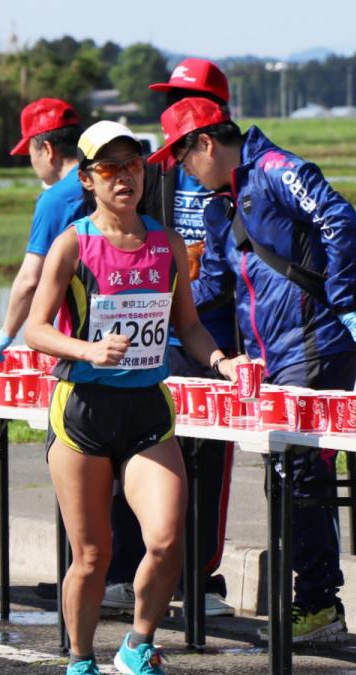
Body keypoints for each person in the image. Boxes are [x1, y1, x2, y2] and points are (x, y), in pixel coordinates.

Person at [150, 98, 356, 643]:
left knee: (303, 475)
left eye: (183, 158)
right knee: (285, 478)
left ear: (206, 142)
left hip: (315, 345)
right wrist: (155, 311)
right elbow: (214, 286)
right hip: (269, 358)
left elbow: (338, 217)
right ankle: (313, 601)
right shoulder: (222, 205)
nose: (182, 171)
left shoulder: (276, 170)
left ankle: (321, 603)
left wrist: (344, 300)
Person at [24, 120, 237, 675]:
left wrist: (222, 360)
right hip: (84, 412)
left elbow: (188, 326)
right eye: (110, 169)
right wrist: (88, 349)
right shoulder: (73, 242)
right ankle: (79, 662)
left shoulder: (166, 244)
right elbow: (37, 330)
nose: (125, 177)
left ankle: (139, 645)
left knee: (168, 538)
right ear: (89, 179)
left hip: (146, 408)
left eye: (134, 166)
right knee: (91, 557)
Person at [102, 58, 239, 618]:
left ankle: (200, 580)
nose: (170, 114)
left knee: (208, 463)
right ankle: (126, 570)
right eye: (169, 100)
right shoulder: (156, 172)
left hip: (219, 336)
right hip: (157, 337)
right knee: (141, 453)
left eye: (184, 99)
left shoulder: (237, 175)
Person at [0, 98, 86, 364]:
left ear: (48, 150)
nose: (32, 163)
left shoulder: (56, 199)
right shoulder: (114, 181)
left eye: (30, 153)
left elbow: (30, 279)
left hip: (79, 335)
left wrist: (6, 332)